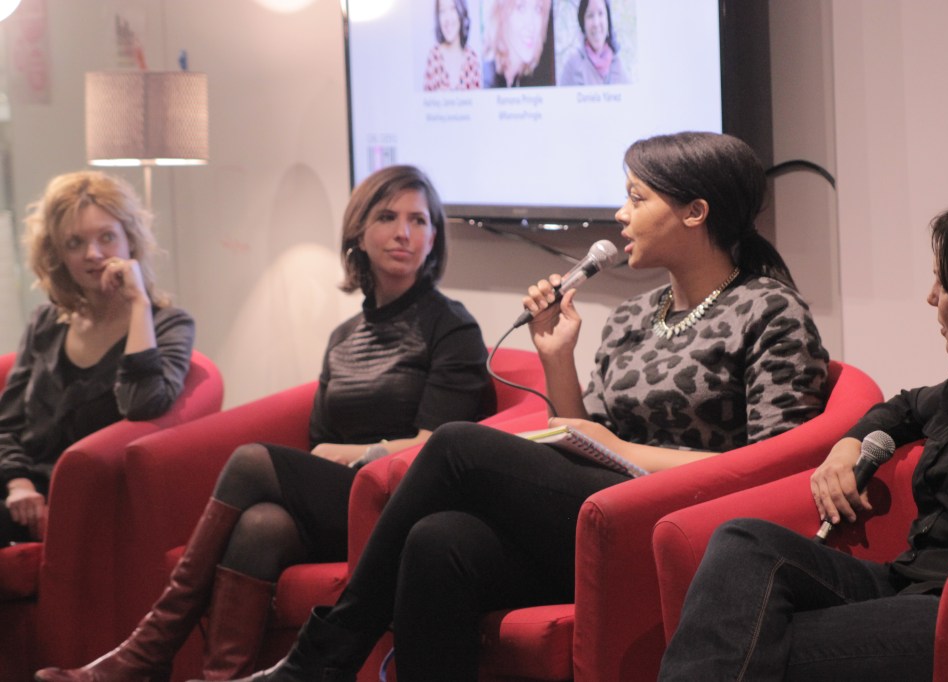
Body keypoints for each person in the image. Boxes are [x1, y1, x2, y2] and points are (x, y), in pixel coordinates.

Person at [217, 131, 829, 682]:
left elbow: (775, 469)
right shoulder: (632, 316)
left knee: (456, 444)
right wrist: (557, 358)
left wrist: (623, 451)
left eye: (637, 198)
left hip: (686, 523)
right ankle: (329, 660)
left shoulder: (769, 310)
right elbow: (587, 435)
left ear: (695, 212)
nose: (621, 214)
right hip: (604, 511)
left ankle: (327, 654)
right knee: (437, 539)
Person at [34, 165, 496, 681]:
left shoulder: (451, 326)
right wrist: (333, 457)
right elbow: (321, 437)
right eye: (388, 217)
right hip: (342, 499)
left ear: (434, 239)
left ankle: (147, 649)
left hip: (400, 503)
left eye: (419, 220)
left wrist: (355, 455)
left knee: (252, 460)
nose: (404, 232)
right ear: (359, 234)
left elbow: (435, 446)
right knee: (261, 527)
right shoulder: (345, 336)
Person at [657, 191, 948, 681]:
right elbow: (904, 407)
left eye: (945, 281)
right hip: (906, 580)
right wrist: (849, 445)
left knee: (741, 640)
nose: (931, 296)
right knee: (744, 541)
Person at [0, 170, 194, 546]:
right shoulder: (46, 322)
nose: (93, 254)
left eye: (107, 237)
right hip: (21, 490)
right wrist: (18, 482)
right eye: (75, 242)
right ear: (58, 255)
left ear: (130, 240)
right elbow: (7, 423)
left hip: (92, 500)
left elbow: (142, 404)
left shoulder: (168, 324)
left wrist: (138, 304)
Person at [482, 0, 555, 88]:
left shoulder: (531, 78)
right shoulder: (486, 78)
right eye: (521, 8)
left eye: (538, 9)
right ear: (502, 14)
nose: (531, 26)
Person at [558, 0, 629, 86]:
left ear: (608, 19)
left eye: (600, 14)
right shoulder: (572, 66)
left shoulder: (619, 66)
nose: (596, 23)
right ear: (583, 23)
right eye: (590, 15)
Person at [424, 0, 482, 91]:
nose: (447, 19)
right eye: (442, 11)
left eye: (453, 9)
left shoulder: (472, 58)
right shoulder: (434, 56)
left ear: (461, 11)